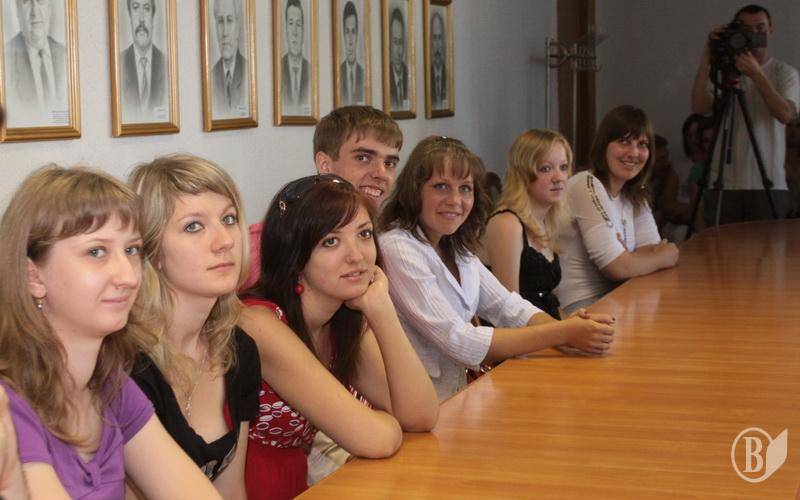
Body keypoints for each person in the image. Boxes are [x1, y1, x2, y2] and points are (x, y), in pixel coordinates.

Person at [0, 165, 219, 499]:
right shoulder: (11, 403)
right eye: (96, 252)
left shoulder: (109, 385)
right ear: (34, 277)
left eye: (131, 250)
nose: (128, 277)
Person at [240, 175, 438, 499]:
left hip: (299, 485)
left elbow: (421, 415)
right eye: (331, 241)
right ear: (295, 255)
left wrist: (382, 310)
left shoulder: (342, 318)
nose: (357, 256)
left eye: (364, 234)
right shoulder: (259, 324)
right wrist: (387, 421)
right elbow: (375, 439)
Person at [378, 136, 616, 401]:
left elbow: (507, 306)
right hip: (420, 403)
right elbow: (460, 341)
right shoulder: (397, 248)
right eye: (441, 186)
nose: (455, 200)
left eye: (465, 188)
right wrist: (562, 333)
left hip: (460, 394)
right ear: (414, 191)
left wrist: (571, 332)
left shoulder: (453, 244)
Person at [128, 155, 260, 499]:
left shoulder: (237, 348)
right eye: (193, 226)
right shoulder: (127, 365)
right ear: (153, 251)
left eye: (229, 219)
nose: (225, 241)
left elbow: (231, 490)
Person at [244, 106, 402, 288]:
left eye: (389, 163)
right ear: (325, 165)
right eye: (363, 158)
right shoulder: (259, 246)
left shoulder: (378, 236)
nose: (381, 174)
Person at [556, 105, 680, 314]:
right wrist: (665, 256)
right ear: (603, 145)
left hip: (621, 296)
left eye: (642, 144)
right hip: (582, 307)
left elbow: (648, 251)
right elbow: (617, 268)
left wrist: (630, 260)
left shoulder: (634, 193)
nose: (634, 153)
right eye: (624, 141)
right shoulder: (587, 183)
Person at [690, 4, 799, 225]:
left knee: (769, 246)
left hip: (767, 182)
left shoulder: (784, 72)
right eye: (747, 29)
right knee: (722, 246)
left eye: (760, 28)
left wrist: (757, 75)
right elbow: (700, 107)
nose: (754, 34)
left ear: (770, 30)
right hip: (724, 183)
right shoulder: (723, 71)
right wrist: (707, 56)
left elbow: (786, 115)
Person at [479, 129, 572, 319]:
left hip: (544, 328)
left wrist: (572, 322)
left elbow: (546, 300)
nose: (559, 177)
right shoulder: (507, 224)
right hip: (516, 332)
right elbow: (509, 312)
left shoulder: (544, 219)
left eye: (563, 167)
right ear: (523, 174)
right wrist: (564, 329)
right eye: (546, 169)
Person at [5, 0, 67, 118]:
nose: (35, 13)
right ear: (17, 10)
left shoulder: (65, 55)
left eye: (41, 1)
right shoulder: (4, 61)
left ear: (49, 8)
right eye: (26, 2)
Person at [121, 0, 167, 122]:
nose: (141, 19)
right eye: (136, 8)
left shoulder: (167, 65)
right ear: (130, 17)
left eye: (146, 8)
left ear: (153, 17)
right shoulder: (118, 65)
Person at [211, 0, 248, 116]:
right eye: (220, 21)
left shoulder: (248, 73)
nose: (225, 32)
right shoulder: (210, 77)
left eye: (230, 20)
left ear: (238, 26)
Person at [281, 0, 310, 115]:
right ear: (285, 30)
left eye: (298, 24)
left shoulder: (311, 71)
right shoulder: (278, 70)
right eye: (291, 23)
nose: (294, 32)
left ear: (303, 30)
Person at [339, 1, 364, 106]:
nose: (350, 41)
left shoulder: (363, 74)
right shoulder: (338, 73)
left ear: (357, 35)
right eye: (347, 32)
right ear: (343, 35)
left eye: (353, 32)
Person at [389, 8, 408, 109]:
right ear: (389, 43)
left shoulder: (409, 75)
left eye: (401, 42)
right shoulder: (386, 76)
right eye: (395, 42)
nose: (398, 50)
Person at [430, 11, 446, 109]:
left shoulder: (447, 75)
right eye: (434, 37)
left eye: (439, 38)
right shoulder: (428, 76)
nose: (437, 45)